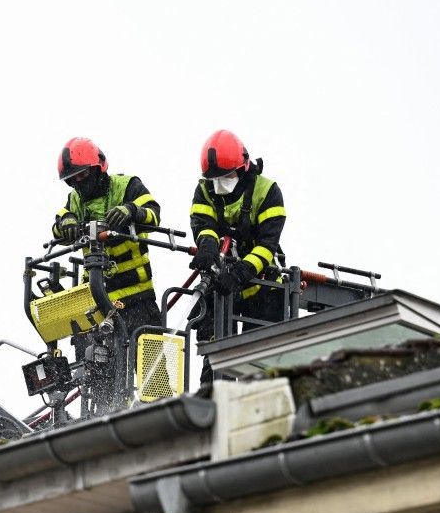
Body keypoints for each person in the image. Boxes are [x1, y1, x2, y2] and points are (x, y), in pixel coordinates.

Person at [188, 129, 287, 382]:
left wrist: (241, 272)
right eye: (216, 178)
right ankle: (210, 409)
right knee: (214, 363)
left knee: (256, 368)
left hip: (262, 287)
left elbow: (267, 245)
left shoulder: (267, 191)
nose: (221, 183)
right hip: (221, 285)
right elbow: (203, 224)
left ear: (243, 167)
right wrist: (208, 248)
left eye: (227, 176)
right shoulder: (206, 190)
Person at [52, 137, 163, 334]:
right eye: (73, 179)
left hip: (137, 298)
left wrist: (131, 210)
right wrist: (66, 220)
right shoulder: (75, 200)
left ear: (98, 168)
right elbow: (57, 226)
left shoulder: (127, 185)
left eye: (83, 174)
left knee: (146, 361)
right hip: (95, 301)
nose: (80, 183)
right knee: (90, 361)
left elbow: (154, 215)